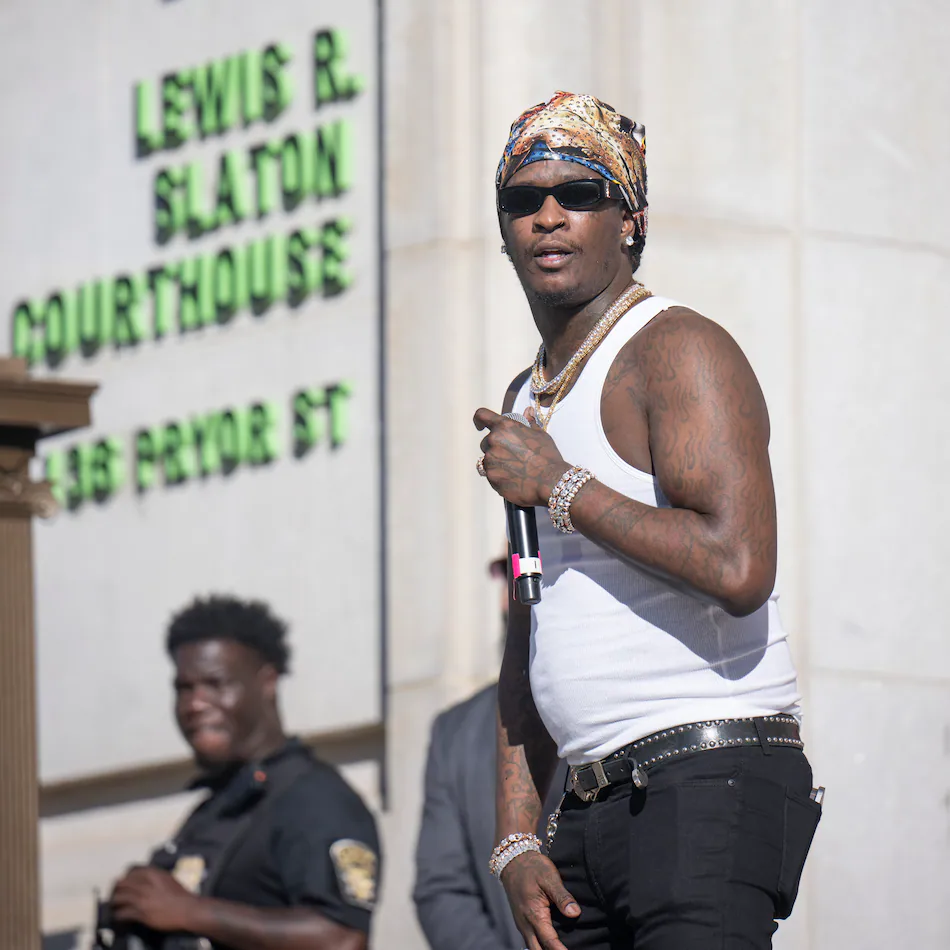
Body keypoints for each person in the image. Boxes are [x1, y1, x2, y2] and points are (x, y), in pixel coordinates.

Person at [474, 91, 821, 950]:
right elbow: (530, 616)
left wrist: (562, 485)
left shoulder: (677, 349)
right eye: (524, 200)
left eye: (579, 194)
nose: (548, 217)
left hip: (708, 776)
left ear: (629, 221)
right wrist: (515, 836)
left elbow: (740, 567)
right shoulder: (526, 398)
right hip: (587, 806)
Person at [100, 595, 380, 950]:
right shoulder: (216, 808)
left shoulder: (314, 798)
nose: (195, 704)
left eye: (215, 684)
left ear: (267, 682)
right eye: (184, 688)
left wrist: (189, 911)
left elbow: (341, 938)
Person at [413, 556, 567, 950]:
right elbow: (443, 889)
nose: (516, 585)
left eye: (531, 563)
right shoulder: (456, 732)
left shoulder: (627, 712)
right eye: (509, 568)